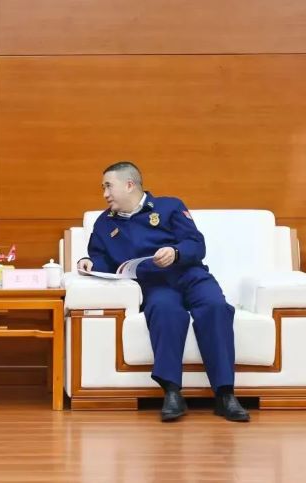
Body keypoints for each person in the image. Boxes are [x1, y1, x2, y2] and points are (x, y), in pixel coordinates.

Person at [77, 161, 249, 422]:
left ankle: (225, 394)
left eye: (108, 186)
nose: (105, 194)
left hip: (190, 275)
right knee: (165, 311)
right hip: (153, 283)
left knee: (215, 307)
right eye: (103, 188)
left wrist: (175, 252)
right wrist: (87, 263)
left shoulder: (170, 206)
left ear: (129, 184)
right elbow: (101, 259)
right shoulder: (104, 223)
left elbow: (196, 244)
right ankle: (172, 392)